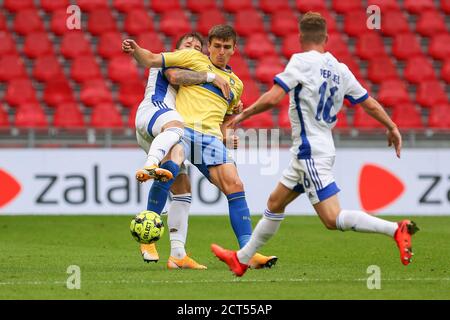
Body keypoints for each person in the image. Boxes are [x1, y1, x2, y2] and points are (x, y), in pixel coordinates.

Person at [211, 12, 419, 277]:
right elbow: (368, 102)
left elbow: (274, 97)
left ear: (300, 38)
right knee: (275, 202)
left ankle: (395, 229)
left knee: (331, 218)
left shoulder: (301, 61)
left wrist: (241, 115)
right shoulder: (340, 69)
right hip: (317, 147)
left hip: (310, 150)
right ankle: (241, 259)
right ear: (327, 39)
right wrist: (392, 126)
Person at [122, 25, 277, 270]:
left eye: (227, 47)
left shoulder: (236, 84)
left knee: (235, 185)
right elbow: (154, 60)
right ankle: (148, 233)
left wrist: (227, 136)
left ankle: (248, 252)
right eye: (217, 46)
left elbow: (225, 120)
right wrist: (135, 49)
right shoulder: (193, 59)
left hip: (211, 140)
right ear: (209, 47)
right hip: (184, 129)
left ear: (234, 49)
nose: (221, 52)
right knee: (171, 167)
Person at [124, 32, 231, 269]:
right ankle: (151, 166)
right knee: (177, 127)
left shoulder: (194, 71)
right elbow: (174, 75)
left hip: (161, 131)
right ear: (178, 48)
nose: (192, 48)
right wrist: (211, 76)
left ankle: (178, 254)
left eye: (196, 46)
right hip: (156, 112)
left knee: (181, 186)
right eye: (187, 44)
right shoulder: (172, 60)